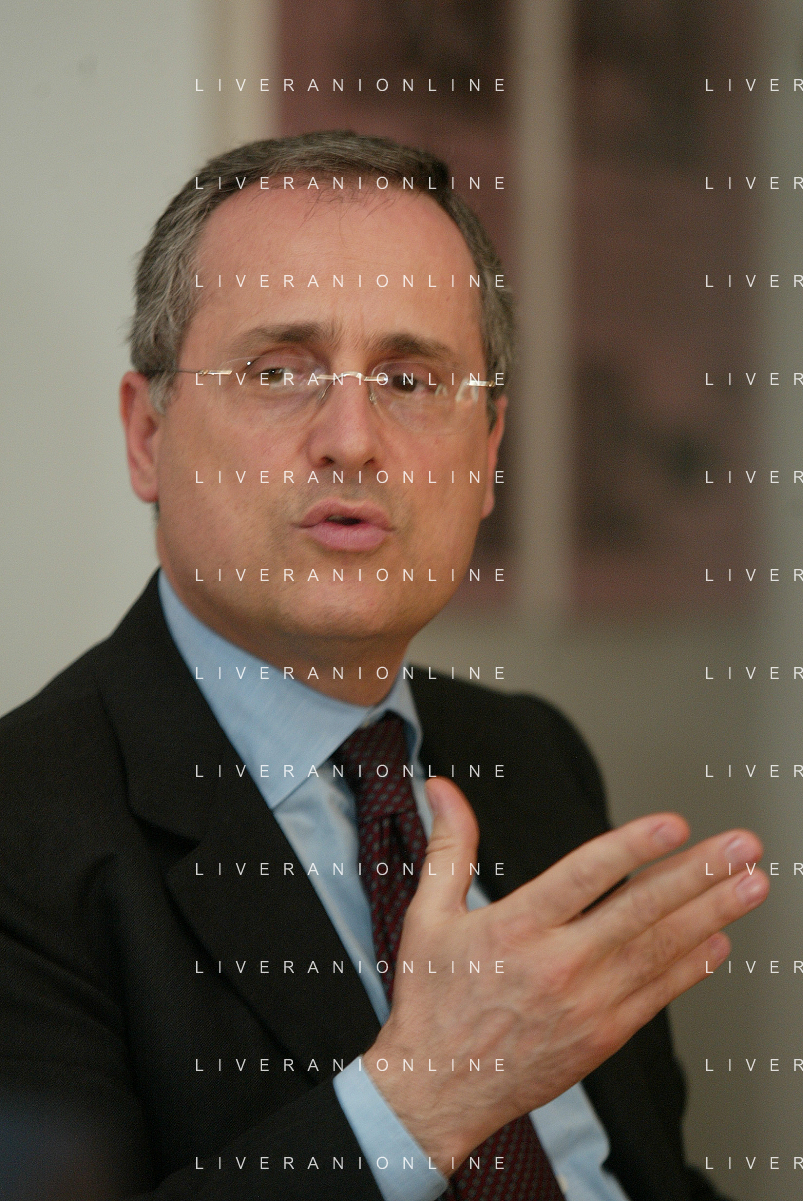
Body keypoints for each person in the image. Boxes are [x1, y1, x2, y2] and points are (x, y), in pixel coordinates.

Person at [0, 132, 768, 1201]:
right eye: (278, 371)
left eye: (410, 379)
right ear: (146, 435)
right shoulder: (24, 828)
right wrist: (425, 1100)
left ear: (488, 452)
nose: (352, 439)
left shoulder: (531, 754)